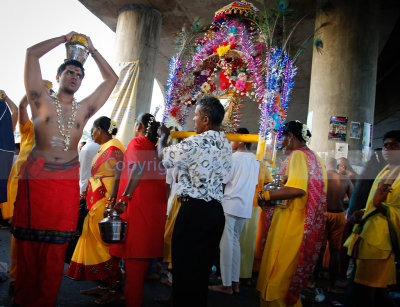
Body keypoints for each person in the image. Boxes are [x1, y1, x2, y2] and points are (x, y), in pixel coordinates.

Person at [12, 32, 118, 307]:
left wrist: (92, 50)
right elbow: (31, 54)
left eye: (78, 75)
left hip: (64, 186)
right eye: (69, 72)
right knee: (28, 249)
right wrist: (62, 39)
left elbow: (112, 80)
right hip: (36, 182)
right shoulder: (40, 101)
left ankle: (44, 302)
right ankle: (23, 300)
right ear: (59, 76)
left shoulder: (84, 110)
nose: (74, 77)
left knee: (55, 252)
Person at [158, 96, 232, 307]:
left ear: (206, 119)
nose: (194, 121)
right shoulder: (226, 144)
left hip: (194, 212)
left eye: (197, 116)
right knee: (201, 270)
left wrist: (163, 137)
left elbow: (163, 157)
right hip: (216, 212)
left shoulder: (195, 142)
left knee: (183, 268)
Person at [257, 120, 327, 306]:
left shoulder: (297, 156)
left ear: (291, 137)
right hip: (302, 223)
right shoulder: (314, 158)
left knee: (278, 276)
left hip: (290, 224)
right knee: (287, 277)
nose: (281, 143)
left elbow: (297, 189)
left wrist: (264, 195)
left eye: (283, 138)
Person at [109, 113, 167, 307]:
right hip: (152, 217)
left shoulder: (138, 143)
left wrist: (124, 197)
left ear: (140, 127)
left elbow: (137, 168)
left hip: (137, 215)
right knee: (137, 275)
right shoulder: (157, 149)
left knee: (133, 277)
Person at [66, 116, 125, 304]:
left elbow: (118, 173)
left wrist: (111, 201)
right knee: (95, 240)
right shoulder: (104, 148)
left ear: (100, 129)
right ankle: (104, 285)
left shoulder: (114, 146)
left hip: (104, 201)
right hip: (96, 199)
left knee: (104, 245)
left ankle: (115, 287)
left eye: (93, 130)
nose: (92, 134)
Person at [344, 130, 400, 307]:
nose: (388, 149)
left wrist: (379, 206)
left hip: (381, 242)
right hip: (367, 236)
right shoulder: (385, 170)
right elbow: (372, 202)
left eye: (394, 145)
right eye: (385, 145)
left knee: (366, 290)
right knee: (366, 288)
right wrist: (361, 212)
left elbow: (390, 208)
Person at [209, 127, 260, 295]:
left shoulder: (233, 158)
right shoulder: (255, 160)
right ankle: (235, 282)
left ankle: (226, 285)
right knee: (234, 244)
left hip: (230, 205)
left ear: (240, 141)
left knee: (225, 246)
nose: (230, 142)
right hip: (244, 208)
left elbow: (222, 183)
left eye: (232, 139)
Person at [321, 157, 353, 292]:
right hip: (339, 215)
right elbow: (352, 198)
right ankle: (331, 285)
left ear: (325, 164)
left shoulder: (321, 177)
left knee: (319, 249)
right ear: (337, 165)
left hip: (323, 215)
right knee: (335, 252)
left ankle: (312, 281)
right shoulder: (345, 179)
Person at [0, 90, 18, 204]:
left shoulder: (7, 127)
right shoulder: (7, 129)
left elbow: (15, 111)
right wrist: (6, 98)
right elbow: (15, 111)